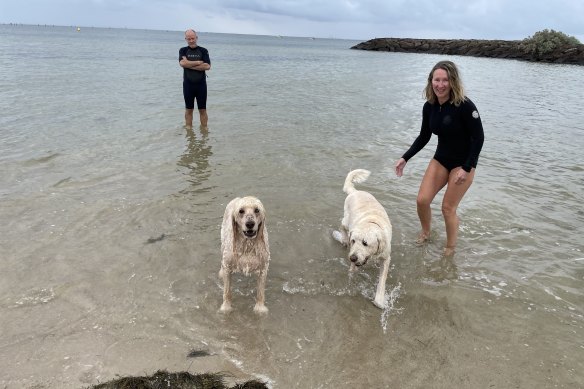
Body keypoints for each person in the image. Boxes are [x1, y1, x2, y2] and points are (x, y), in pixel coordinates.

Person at [395, 60, 484, 256]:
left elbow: (479, 138)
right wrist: (405, 157)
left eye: (445, 80)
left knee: (447, 208)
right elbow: (424, 136)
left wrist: (467, 167)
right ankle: (426, 233)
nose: (440, 85)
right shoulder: (430, 106)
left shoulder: (465, 106)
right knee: (422, 200)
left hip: (464, 163)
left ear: (453, 82)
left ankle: (450, 249)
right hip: (442, 159)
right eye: (437, 80)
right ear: (431, 81)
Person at [179, 29, 211, 129]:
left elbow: (207, 66)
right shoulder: (183, 50)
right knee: (189, 109)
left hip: (201, 85)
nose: (191, 40)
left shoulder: (203, 50)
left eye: (193, 38)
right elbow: (182, 63)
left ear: (196, 38)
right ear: (185, 39)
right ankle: (189, 132)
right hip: (188, 85)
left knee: (202, 110)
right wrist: (198, 62)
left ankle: (204, 131)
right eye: (189, 39)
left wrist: (188, 64)